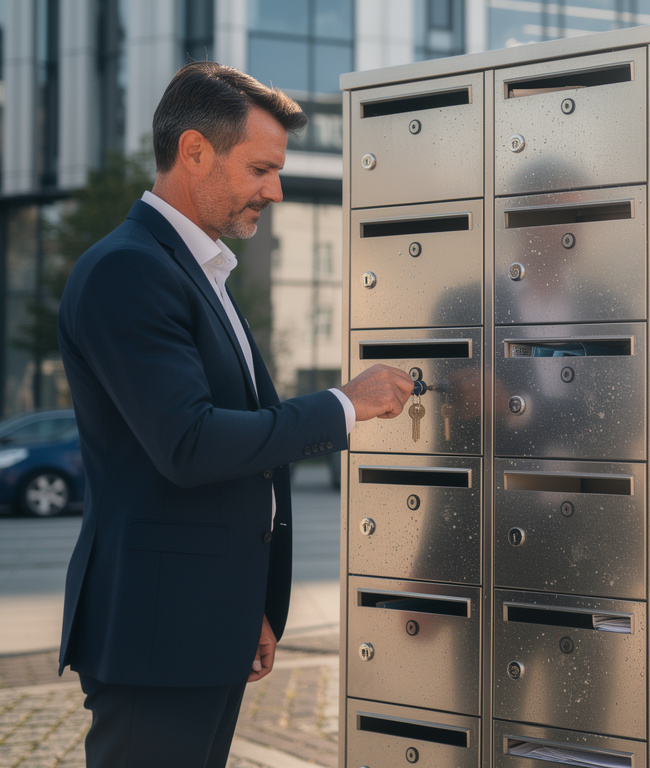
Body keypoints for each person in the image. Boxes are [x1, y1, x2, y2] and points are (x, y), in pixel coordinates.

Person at [56, 61, 415, 768]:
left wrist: (243, 605)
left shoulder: (198, 270)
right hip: (157, 635)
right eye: (260, 169)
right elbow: (189, 443)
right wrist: (345, 404)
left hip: (200, 622)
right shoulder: (128, 269)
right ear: (194, 151)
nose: (275, 191)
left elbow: (236, 459)